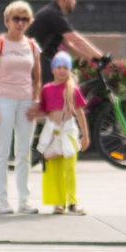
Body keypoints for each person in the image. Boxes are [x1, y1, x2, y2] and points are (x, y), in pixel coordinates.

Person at [0, 1, 42, 215]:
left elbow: (37, 79)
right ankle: (1, 201)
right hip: (4, 101)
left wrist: (36, 102)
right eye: (16, 18)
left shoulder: (32, 46)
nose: (20, 23)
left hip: (26, 102)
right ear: (7, 21)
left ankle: (24, 201)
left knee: (24, 153)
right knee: (2, 151)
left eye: (25, 19)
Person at [36, 53, 90, 215]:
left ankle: (73, 202)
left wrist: (85, 135)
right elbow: (43, 112)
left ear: (70, 70)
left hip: (68, 132)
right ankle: (59, 202)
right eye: (58, 67)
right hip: (52, 134)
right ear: (52, 69)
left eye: (65, 67)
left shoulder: (72, 89)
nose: (61, 70)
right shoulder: (46, 89)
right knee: (55, 170)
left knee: (69, 169)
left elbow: (79, 113)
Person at [28, 0, 101, 66]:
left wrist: (93, 60)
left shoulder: (52, 12)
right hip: (39, 61)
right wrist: (101, 57)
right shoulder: (53, 14)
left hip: (38, 59)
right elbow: (77, 40)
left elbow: (68, 46)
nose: (75, 2)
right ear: (64, 0)